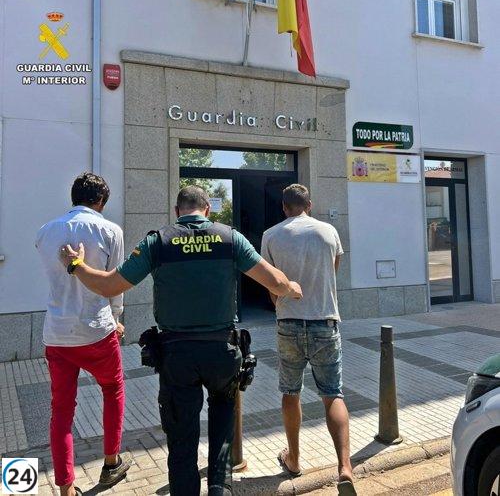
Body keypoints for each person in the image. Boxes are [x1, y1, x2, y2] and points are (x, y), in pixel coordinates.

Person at [59, 185, 303, 496]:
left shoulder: (157, 242)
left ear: (177, 212)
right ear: (207, 210)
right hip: (222, 354)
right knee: (222, 430)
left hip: (177, 356)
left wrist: (76, 265)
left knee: (181, 439)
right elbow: (276, 282)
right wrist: (292, 287)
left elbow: (108, 286)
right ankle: (220, 488)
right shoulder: (230, 238)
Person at [35, 173, 132, 496]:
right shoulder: (110, 231)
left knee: (61, 410)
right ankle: (111, 462)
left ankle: (65, 487)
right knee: (112, 390)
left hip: (56, 332)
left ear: (73, 197)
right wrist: (117, 318)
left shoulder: (45, 232)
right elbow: (114, 282)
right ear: (101, 201)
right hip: (97, 329)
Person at [261, 184, 356, 496]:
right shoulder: (329, 232)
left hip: (288, 322)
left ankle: (294, 459)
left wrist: (280, 302)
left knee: (290, 392)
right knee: (333, 394)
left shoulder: (271, 235)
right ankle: (345, 467)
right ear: (309, 205)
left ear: (284, 207)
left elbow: (271, 284)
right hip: (325, 322)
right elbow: (333, 271)